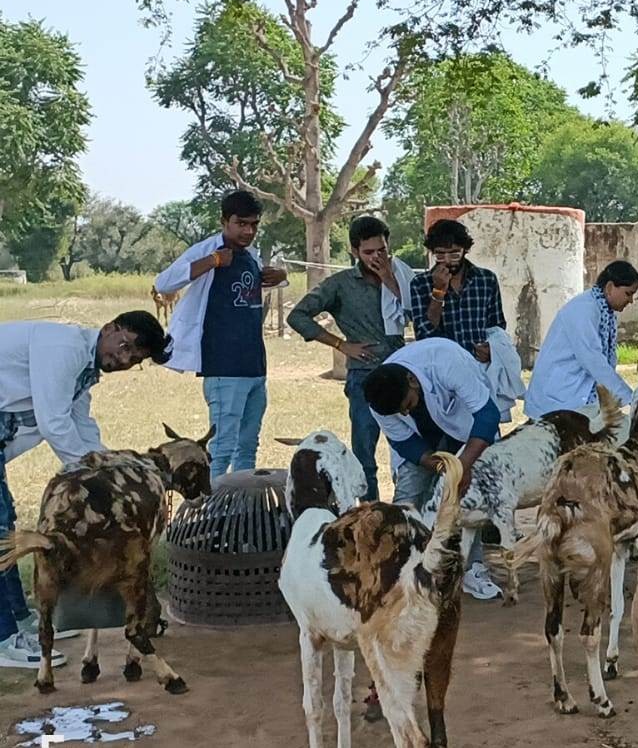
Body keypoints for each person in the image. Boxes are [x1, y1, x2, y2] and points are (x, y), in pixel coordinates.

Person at [0, 311, 172, 670]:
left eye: (135, 358)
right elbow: (54, 421)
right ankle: (4, 637)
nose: (124, 359)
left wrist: (107, 465)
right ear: (108, 328)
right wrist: (97, 475)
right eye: (124, 346)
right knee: (0, 527)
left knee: (6, 524)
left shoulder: (85, 370)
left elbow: (81, 424)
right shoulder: (62, 348)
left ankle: (20, 621)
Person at [155, 189, 287, 478]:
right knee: (221, 448)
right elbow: (164, 283)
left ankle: (241, 512)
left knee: (248, 446)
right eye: (241, 223)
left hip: (254, 366)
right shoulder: (208, 250)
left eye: (253, 224)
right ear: (224, 221)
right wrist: (212, 261)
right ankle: (210, 512)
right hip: (223, 366)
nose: (248, 231)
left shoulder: (250, 255)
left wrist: (280, 278)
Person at [365, 338, 503, 601]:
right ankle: (399, 573)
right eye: (399, 412)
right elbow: (403, 441)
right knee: (407, 500)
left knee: (469, 499)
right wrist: (437, 465)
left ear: (412, 381)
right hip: (423, 440)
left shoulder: (447, 362)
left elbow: (487, 416)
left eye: (407, 405)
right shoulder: (380, 399)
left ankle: (472, 570)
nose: (405, 414)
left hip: (468, 430)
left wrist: (463, 466)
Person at [287, 216, 414, 501]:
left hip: (403, 373)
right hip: (364, 376)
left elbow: (417, 311)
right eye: (369, 252)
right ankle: (370, 514)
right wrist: (341, 344)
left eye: (382, 250)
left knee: (411, 449)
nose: (377, 257)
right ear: (355, 252)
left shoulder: (401, 276)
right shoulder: (341, 284)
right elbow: (297, 316)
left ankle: (409, 510)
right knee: (364, 455)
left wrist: (389, 281)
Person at [524, 261, 638, 419]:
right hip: (559, 397)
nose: (631, 300)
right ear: (610, 287)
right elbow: (593, 361)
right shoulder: (584, 310)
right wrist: (630, 398)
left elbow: (606, 362)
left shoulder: (604, 311)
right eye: (628, 293)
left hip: (575, 396)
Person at [409, 219, 506, 364]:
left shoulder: (486, 280)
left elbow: (497, 327)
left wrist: (491, 349)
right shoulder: (420, 284)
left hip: (480, 366)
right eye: (440, 255)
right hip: (442, 367)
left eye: (454, 254)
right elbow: (424, 334)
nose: (447, 261)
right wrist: (438, 291)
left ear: (465, 250)